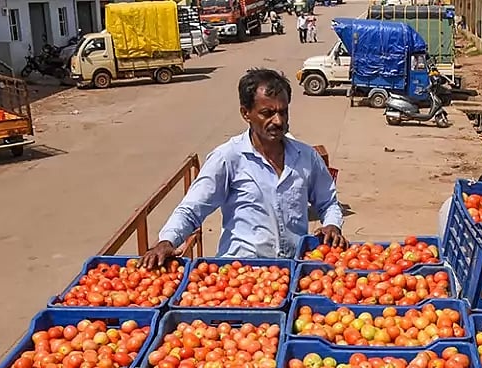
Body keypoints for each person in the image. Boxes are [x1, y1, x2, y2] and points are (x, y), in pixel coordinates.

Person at [140, 69, 344, 268]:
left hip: (292, 271)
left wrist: (332, 225)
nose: (278, 121)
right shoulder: (228, 158)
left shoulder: (306, 157)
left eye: (283, 112)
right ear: (246, 113)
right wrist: (167, 241)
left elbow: (328, 202)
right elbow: (192, 209)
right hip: (240, 274)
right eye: (267, 113)